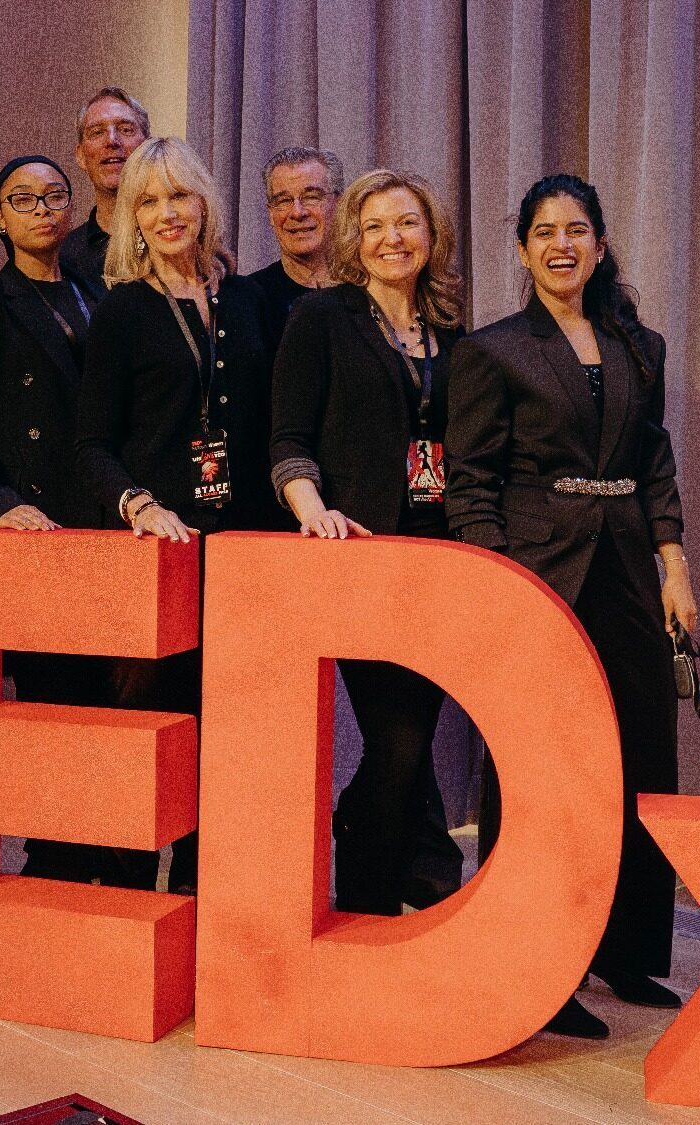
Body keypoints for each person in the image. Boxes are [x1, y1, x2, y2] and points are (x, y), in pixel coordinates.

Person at [445, 172, 698, 1039]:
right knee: (536, 770)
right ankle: (537, 965)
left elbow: (655, 459)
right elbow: (470, 484)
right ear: (522, 249)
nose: (562, 244)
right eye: (544, 231)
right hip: (537, 574)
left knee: (638, 757)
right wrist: (500, 582)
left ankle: (627, 952)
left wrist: (675, 563)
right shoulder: (494, 350)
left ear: (598, 243)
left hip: (629, 570)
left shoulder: (641, 346)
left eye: (577, 229)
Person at [75, 136, 286, 892]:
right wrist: (139, 503)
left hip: (243, 553)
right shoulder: (124, 310)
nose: (169, 214)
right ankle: (130, 904)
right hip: (155, 555)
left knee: (225, 735)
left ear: (207, 205)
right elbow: (91, 444)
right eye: (151, 200)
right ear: (132, 214)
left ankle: (203, 898)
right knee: (146, 735)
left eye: (181, 196)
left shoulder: (249, 298)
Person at [0, 155, 145, 886]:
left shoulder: (104, 295)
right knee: (56, 705)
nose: (42, 210)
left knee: (113, 711)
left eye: (54, 196)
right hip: (36, 530)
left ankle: (112, 861)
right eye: (22, 199)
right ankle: (55, 860)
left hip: (106, 526)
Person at [267, 168, 467, 918]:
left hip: (440, 557)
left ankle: (380, 883)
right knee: (398, 738)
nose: (393, 239)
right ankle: (366, 899)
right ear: (355, 237)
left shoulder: (450, 330)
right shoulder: (323, 318)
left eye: (407, 223)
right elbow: (287, 433)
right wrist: (311, 506)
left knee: (412, 742)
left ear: (430, 233)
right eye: (376, 225)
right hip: (356, 554)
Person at [247, 147, 342, 345]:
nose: (298, 213)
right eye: (283, 201)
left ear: (340, 204)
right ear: (271, 214)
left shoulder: (369, 287)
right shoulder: (248, 298)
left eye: (311, 197)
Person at [60, 87, 150, 286]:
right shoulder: (62, 259)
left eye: (126, 129)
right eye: (97, 132)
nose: (111, 140)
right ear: (81, 156)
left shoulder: (174, 241)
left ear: (148, 147)